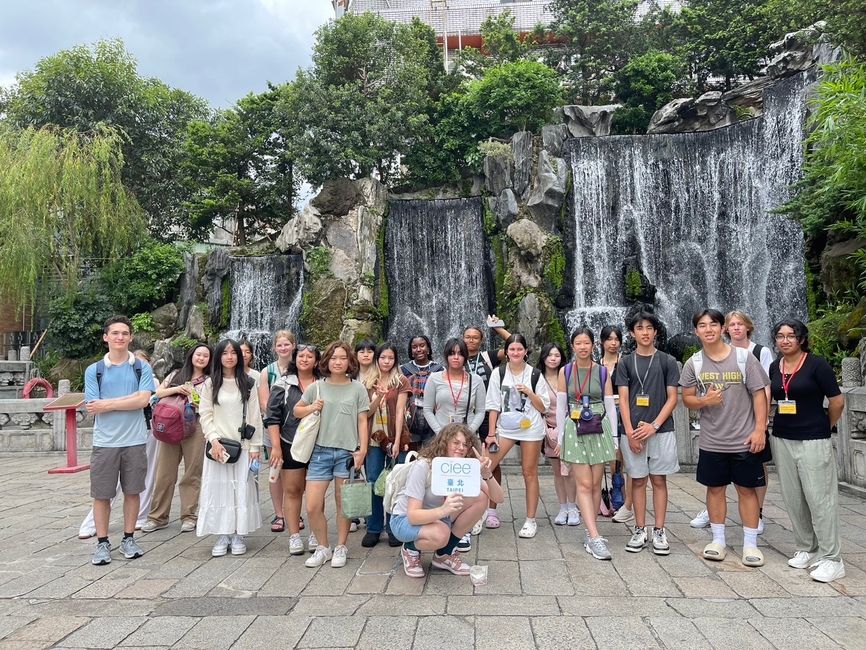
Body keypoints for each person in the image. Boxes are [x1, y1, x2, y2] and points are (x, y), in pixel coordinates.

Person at [679, 309, 769, 567]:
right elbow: (687, 399)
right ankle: (718, 540)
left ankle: (750, 544)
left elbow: (759, 395)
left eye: (713, 325)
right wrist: (704, 400)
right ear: (696, 331)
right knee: (715, 489)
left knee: (747, 490)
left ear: (723, 329)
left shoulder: (744, 358)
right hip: (712, 440)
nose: (708, 329)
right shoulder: (693, 363)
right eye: (702, 325)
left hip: (745, 438)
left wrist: (759, 429)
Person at [769, 318, 845, 583]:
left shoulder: (817, 365)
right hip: (782, 438)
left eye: (791, 335)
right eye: (780, 336)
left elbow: (837, 401)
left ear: (801, 339)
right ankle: (806, 548)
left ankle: (832, 558)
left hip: (813, 439)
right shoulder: (774, 367)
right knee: (793, 497)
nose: (785, 340)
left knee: (820, 499)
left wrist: (825, 425)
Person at [84, 316, 156, 565]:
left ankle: (128, 537)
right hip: (105, 442)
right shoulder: (95, 370)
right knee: (101, 494)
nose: (120, 337)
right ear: (106, 337)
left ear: (131, 337)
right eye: (115, 333)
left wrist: (109, 403)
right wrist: (129, 400)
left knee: (132, 491)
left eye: (125, 333)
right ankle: (102, 542)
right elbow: (94, 407)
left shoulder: (141, 367)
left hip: (135, 439)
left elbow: (143, 400)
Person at [390, 423, 504, 578]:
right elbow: (413, 515)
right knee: (441, 533)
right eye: (456, 443)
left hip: (438, 516)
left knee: (481, 497)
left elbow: (498, 498)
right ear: (444, 443)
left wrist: (487, 473)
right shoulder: (424, 465)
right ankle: (410, 549)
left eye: (465, 444)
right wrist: (444, 510)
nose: (461, 448)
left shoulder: (463, 468)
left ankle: (444, 554)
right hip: (404, 520)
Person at [293, 341, 370, 568]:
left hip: (347, 453)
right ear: (326, 361)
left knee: (343, 503)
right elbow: (297, 410)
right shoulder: (316, 387)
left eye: (343, 358)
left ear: (350, 362)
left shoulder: (358, 389)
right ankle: (323, 547)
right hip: (319, 452)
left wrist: (362, 450)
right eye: (334, 358)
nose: (338, 362)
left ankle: (341, 546)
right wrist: (311, 408)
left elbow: (362, 420)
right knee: (312, 505)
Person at [614, 312, 680, 555]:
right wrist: (630, 432)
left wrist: (653, 425)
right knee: (638, 480)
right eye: (639, 328)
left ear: (655, 332)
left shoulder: (667, 361)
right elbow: (622, 399)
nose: (644, 332)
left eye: (649, 328)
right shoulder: (625, 363)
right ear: (632, 333)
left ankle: (659, 530)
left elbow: (672, 398)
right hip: (633, 432)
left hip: (661, 431)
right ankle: (640, 528)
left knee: (659, 480)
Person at [197, 338, 263, 556]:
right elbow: (205, 415)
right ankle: (222, 533)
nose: (229, 356)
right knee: (219, 489)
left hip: (242, 447)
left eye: (233, 352)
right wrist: (213, 440)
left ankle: (238, 534)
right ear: (219, 356)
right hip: (218, 446)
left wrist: (255, 447)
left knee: (240, 489)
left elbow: (255, 416)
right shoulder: (210, 384)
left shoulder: (249, 382)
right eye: (224, 353)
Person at [556, 328, 617, 560]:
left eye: (586, 343)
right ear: (572, 346)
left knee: (594, 485)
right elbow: (561, 406)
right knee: (583, 483)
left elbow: (610, 405)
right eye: (578, 343)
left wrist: (615, 439)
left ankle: (590, 530)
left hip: (600, 426)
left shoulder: (602, 372)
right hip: (574, 427)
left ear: (593, 346)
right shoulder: (566, 371)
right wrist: (561, 437)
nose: (582, 347)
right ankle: (593, 537)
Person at [423, 338, 487, 550]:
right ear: (446, 356)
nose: (456, 357)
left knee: (465, 484)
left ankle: (463, 529)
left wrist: (468, 434)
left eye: (460, 353)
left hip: (465, 442)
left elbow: (480, 410)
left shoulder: (475, 380)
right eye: (452, 353)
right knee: (441, 483)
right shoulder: (434, 378)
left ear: (465, 356)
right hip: (440, 440)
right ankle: (439, 522)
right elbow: (427, 409)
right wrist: (442, 433)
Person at [141, 343, 211, 534]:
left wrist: (196, 398)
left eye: (206, 355)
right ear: (191, 355)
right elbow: (158, 393)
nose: (201, 358)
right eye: (199, 354)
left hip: (196, 426)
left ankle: (189, 516)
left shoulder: (210, 380)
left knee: (192, 473)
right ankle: (157, 517)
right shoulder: (176, 374)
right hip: (171, 425)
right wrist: (179, 388)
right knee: (164, 473)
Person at [486, 333, 550, 539]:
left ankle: (530, 520)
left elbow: (543, 407)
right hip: (505, 428)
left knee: (529, 472)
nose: (515, 353)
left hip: (530, 427)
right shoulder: (499, 372)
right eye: (511, 349)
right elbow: (493, 405)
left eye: (519, 349)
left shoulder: (535, 374)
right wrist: (490, 434)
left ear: (525, 351)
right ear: (506, 352)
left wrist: (530, 393)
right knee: (486, 466)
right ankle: (487, 512)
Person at [264, 343, 320, 556]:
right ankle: (294, 536)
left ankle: (316, 531)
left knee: (316, 492)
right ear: (295, 359)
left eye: (310, 356)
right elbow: (272, 417)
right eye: (301, 356)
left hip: (318, 444)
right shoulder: (283, 383)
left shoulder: (323, 383)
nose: (305, 359)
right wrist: (276, 447)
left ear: (316, 361)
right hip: (290, 443)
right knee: (293, 490)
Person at [362, 342, 412, 548]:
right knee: (373, 481)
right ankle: (374, 528)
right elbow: (366, 412)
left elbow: (400, 412)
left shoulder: (401, 380)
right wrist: (379, 395)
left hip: (394, 437)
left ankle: (393, 527)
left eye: (390, 358)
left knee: (394, 483)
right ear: (377, 359)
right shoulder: (367, 381)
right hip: (373, 439)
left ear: (395, 360)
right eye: (383, 358)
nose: (386, 361)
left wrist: (398, 440)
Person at [257, 331, 296, 534]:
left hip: (296, 428)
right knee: (275, 471)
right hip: (273, 427)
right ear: (274, 348)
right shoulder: (267, 371)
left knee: (298, 471)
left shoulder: (300, 366)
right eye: (279, 345)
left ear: (293, 345)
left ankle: (295, 512)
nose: (283, 348)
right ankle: (279, 514)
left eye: (286, 344)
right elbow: (265, 403)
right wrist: (278, 421)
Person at [537, 343, 578, 526]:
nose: (553, 359)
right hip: (549, 431)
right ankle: (562, 507)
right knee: (557, 472)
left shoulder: (568, 376)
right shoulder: (538, 378)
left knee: (570, 471)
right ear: (543, 357)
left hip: (570, 429)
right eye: (549, 355)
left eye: (557, 355)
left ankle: (573, 507)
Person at [600, 326, 634, 524]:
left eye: (616, 339)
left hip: (624, 410)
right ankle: (614, 486)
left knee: (621, 449)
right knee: (611, 451)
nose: (613, 343)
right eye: (609, 339)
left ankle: (620, 488)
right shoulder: (598, 364)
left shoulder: (626, 362)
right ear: (602, 342)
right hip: (604, 411)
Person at [401, 335, 444, 450]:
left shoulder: (440, 370)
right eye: (414, 347)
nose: (418, 349)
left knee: (431, 458)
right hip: (409, 422)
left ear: (428, 349)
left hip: (434, 423)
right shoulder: (403, 370)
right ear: (411, 351)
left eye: (422, 345)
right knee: (410, 460)